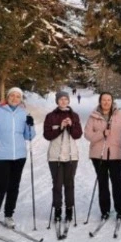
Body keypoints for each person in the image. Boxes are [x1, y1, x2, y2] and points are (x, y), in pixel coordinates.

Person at [0, 87, 35, 233]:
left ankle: (8, 215)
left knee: (14, 186)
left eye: (18, 96)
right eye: (12, 95)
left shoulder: (23, 114)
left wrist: (30, 124)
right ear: (7, 97)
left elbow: (29, 136)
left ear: (20, 99)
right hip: (1, 155)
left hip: (19, 156)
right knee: (1, 186)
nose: (15, 98)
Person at [85, 92, 121, 221]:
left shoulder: (119, 114)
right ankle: (104, 210)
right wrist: (102, 133)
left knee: (117, 182)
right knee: (103, 183)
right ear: (100, 101)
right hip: (98, 155)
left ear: (112, 101)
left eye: (108, 100)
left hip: (115, 153)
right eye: (104, 100)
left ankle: (120, 209)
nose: (106, 102)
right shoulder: (93, 116)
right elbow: (87, 135)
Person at [43, 91, 83, 224]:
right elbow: (47, 135)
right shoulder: (51, 116)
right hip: (55, 156)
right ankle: (58, 210)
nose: (63, 101)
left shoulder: (75, 115)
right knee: (57, 184)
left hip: (72, 156)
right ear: (57, 101)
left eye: (66, 99)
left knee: (69, 184)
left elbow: (78, 135)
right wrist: (60, 128)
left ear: (69, 101)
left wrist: (71, 126)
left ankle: (69, 209)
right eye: (61, 99)